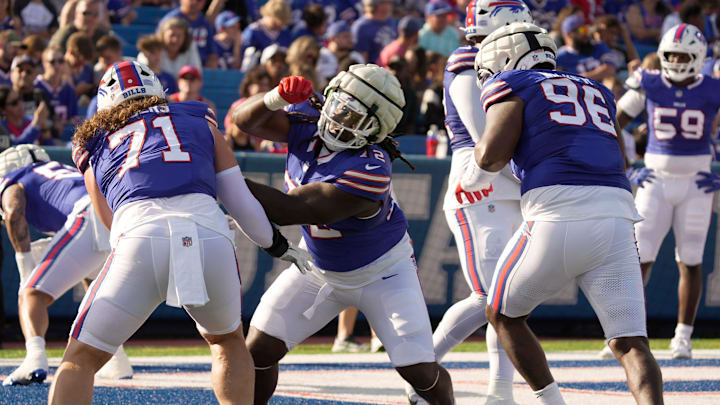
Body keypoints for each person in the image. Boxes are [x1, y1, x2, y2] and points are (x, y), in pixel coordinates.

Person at [47, 61, 311, 405]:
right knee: (227, 342)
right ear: (157, 91)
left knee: (80, 359)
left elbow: (109, 223)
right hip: (207, 232)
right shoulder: (197, 120)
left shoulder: (92, 144)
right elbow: (239, 199)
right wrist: (276, 245)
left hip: (138, 236)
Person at [466, 22, 664, 405]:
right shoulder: (599, 90)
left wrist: (475, 153)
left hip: (556, 212)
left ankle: (551, 401)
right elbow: (618, 157)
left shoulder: (515, 83)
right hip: (617, 215)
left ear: (508, 58)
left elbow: (490, 157)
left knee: (502, 314)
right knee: (631, 343)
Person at [232, 65, 454, 405]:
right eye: (340, 108)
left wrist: (222, 178)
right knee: (258, 353)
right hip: (319, 268)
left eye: (356, 119)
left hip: (383, 272)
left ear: (376, 131)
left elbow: (289, 210)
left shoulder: (371, 168)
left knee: (419, 371)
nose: (341, 121)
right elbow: (246, 122)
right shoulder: (308, 121)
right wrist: (276, 97)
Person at [405, 1, 532, 404]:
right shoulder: (468, 60)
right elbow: (484, 137)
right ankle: (420, 369)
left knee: (509, 300)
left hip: (512, 183)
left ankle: (500, 393)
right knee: (489, 297)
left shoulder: (516, 62)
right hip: (482, 181)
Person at [611, 23, 720, 360]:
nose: (675, 59)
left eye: (682, 55)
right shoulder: (649, 82)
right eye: (670, 53)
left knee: (690, 259)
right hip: (655, 179)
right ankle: (625, 332)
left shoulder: (713, 88)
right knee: (639, 258)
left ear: (697, 56)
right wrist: (626, 165)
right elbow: (614, 119)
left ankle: (683, 337)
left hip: (696, 181)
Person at [0, 145, 133, 385]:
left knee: (31, 294)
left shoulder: (15, 178)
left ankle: (35, 358)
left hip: (86, 213)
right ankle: (117, 360)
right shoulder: (58, 171)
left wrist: (24, 266)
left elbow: (13, 212)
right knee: (94, 293)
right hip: (114, 214)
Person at [556, 14, 618, 81]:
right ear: (569, 34)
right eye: (581, 30)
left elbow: (610, 70)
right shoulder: (560, 58)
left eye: (586, 29)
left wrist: (576, 79)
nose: (585, 33)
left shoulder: (599, 46)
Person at [160, 0, 218, 68]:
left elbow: (212, 53)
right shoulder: (170, 20)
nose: (194, 2)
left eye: (198, 1)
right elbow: (160, 47)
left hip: (199, 68)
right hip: (174, 65)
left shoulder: (205, 23)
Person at [240, 0, 292, 73]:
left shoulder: (285, 33)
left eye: (281, 23)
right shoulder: (253, 31)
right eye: (276, 22)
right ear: (267, 14)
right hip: (257, 75)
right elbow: (244, 60)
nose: (279, 25)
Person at [351, 0, 396, 65]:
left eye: (389, 2)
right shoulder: (361, 27)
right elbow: (362, 59)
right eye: (384, 3)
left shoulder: (390, 21)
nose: (389, 6)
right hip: (374, 70)